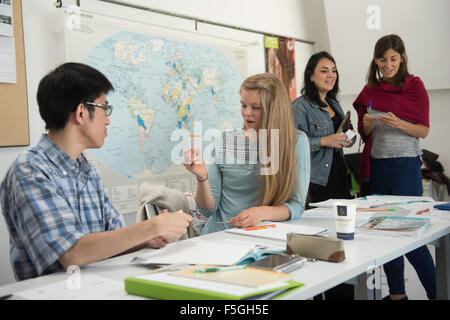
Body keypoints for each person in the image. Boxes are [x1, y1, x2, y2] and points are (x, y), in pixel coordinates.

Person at [0, 62, 192, 281]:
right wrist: (151, 227)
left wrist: (146, 239)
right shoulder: (30, 170)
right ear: (81, 112)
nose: (108, 119)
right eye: (104, 108)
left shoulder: (87, 169)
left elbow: (109, 239)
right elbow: (71, 254)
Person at [353, 34, 436, 300]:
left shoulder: (415, 86)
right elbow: (365, 132)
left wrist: (398, 123)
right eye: (382, 59)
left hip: (405, 167)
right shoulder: (369, 91)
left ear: (401, 59)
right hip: (377, 167)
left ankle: (438, 293)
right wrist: (366, 126)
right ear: (375, 60)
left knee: (410, 236)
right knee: (385, 234)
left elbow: (423, 130)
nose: (387, 64)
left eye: (393, 59)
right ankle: (398, 295)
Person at [184, 73, 310, 234]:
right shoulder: (224, 140)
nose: (246, 113)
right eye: (243, 105)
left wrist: (261, 213)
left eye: (255, 107)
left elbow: (297, 205)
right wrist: (202, 177)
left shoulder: (297, 142)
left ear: (274, 109)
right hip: (219, 236)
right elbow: (208, 210)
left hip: (263, 238)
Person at [291, 51, 356, 206]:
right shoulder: (299, 107)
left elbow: (350, 134)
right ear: (311, 76)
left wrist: (349, 138)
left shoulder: (334, 104)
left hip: (340, 176)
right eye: (324, 71)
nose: (331, 75)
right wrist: (324, 141)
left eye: (334, 71)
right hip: (316, 181)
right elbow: (291, 144)